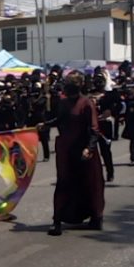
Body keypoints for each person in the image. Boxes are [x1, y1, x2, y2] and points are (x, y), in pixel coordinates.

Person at [49, 72, 105, 236]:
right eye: (67, 82)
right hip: (66, 150)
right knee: (63, 183)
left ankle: (96, 217)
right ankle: (57, 220)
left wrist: (90, 148)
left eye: (72, 82)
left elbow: (94, 129)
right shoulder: (63, 102)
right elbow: (59, 120)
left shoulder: (86, 103)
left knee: (90, 183)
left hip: (84, 150)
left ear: (80, 85)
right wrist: (45, 125)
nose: (68, 85)